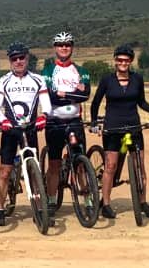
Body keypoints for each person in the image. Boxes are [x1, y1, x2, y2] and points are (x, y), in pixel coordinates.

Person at [90, 45, 149, 220]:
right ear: (115, 61)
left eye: (127, 60)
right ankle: (106, 204)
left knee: (139, 166)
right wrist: (94, 123)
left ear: (131, 62)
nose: (123, 63)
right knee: (111, 167)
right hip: (112, 128)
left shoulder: (137, 79)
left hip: (133, 127)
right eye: (120, 60)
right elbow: (95, 103)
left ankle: (143, 202)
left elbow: (142, 102)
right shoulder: (107, 80)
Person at [0, 42, 52, 225]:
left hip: (31, 128)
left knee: (35, 172)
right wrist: (4, 121)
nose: (18, 61)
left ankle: (40, 209)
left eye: (21, 58)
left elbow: (46, 103)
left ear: (27, 58)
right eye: (14, 58)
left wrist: (44, 116)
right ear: (10, 61)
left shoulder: (38, 79)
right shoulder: (3, 81)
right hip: (11, 129)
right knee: (5, 170)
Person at [39, 31, 91, 211]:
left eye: (67, 44)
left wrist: (63, 93)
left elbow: (85, 95)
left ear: (72, 47)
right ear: (55, 48)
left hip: (75, 121)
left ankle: (87, 199)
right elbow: (50, 96)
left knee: (80, 163)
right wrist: (72, 94)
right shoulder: (47, 71)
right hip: (54, 122)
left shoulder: (81, 71)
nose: (64, 48)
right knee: (54, 164)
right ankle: (52, 199)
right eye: (60, 45)